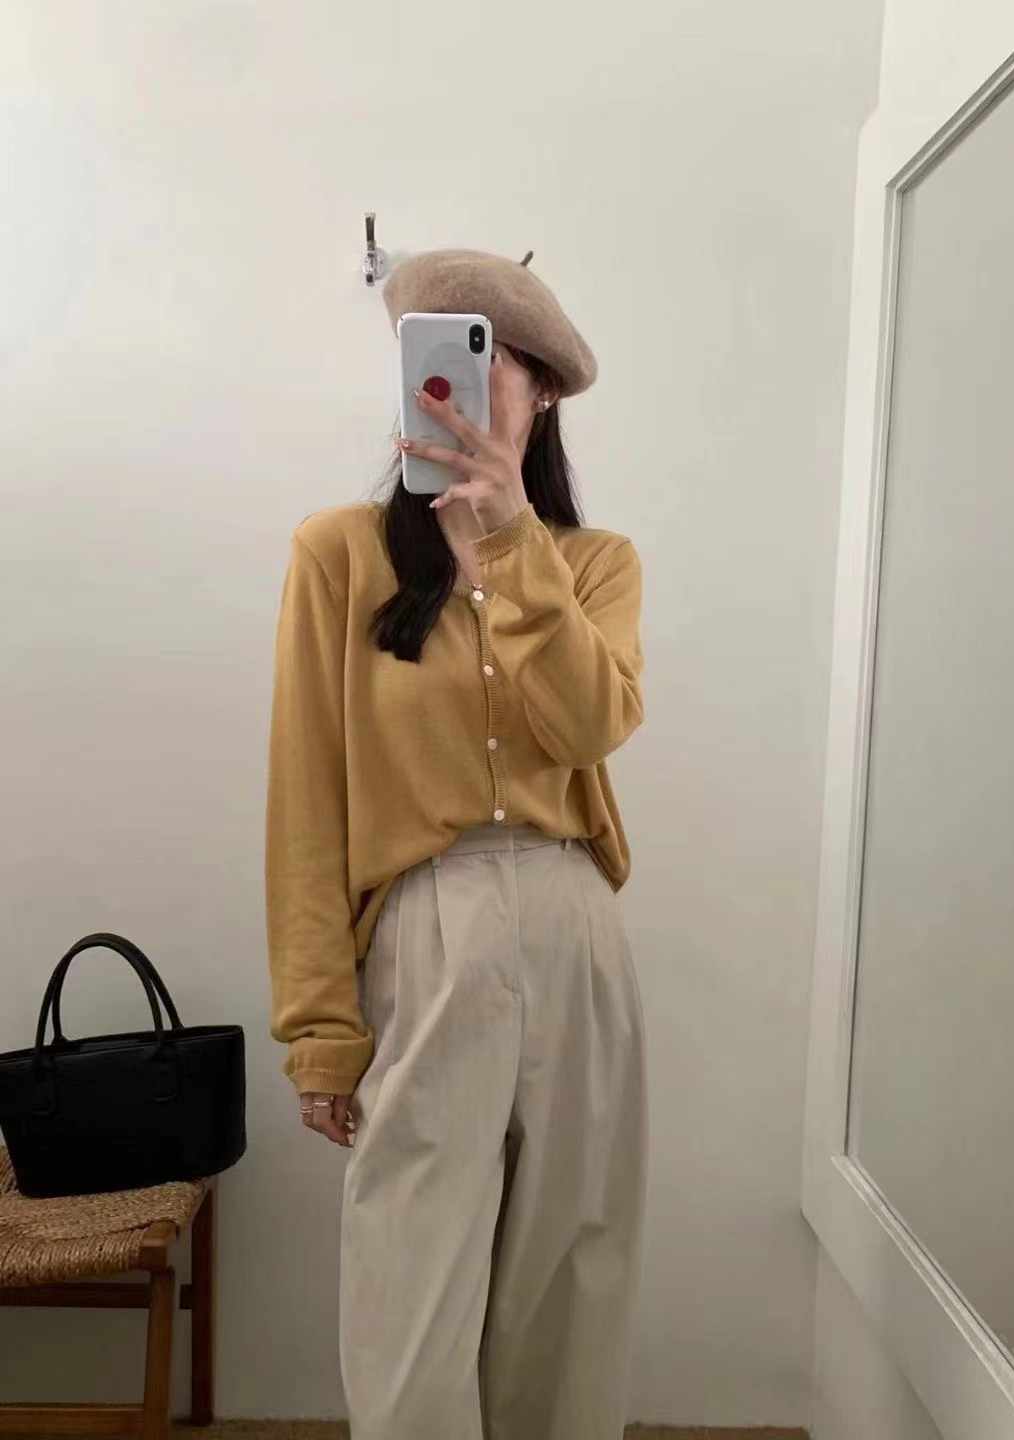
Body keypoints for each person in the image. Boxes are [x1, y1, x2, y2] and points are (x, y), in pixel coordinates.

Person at [264, 247, 648, 1440]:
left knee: (569, 1277)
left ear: (544, 394)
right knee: (410, 1280)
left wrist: (515, 539)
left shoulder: (594, 564)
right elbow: (306, 800)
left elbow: (590, 727)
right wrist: (320, 1028)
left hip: (573, 920)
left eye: (492, 364)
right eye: (434, 363)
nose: (459, 391)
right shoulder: (339, 554)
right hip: (426, 925)